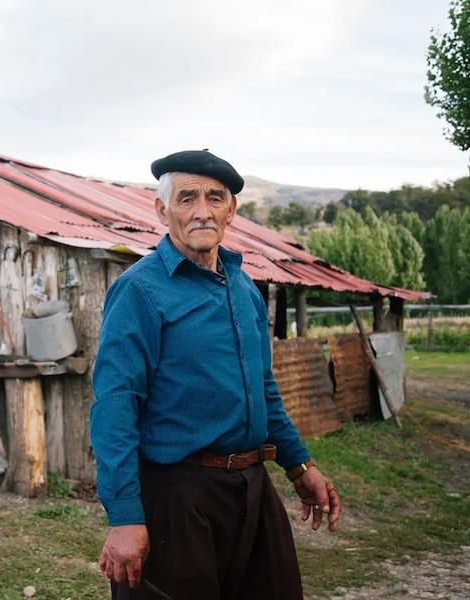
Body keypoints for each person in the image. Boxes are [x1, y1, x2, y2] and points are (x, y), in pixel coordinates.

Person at [90, 150, 341, 600]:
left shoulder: (243, 287)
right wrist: (125, 516)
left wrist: (300, 465)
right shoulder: (139, 291)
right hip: (176, 497)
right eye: (186, 198)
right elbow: (115, 407)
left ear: (232, 208)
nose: (201, 211)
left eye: (214, 197)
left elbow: (264, 390)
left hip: (251, 488)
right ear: (162, 209)